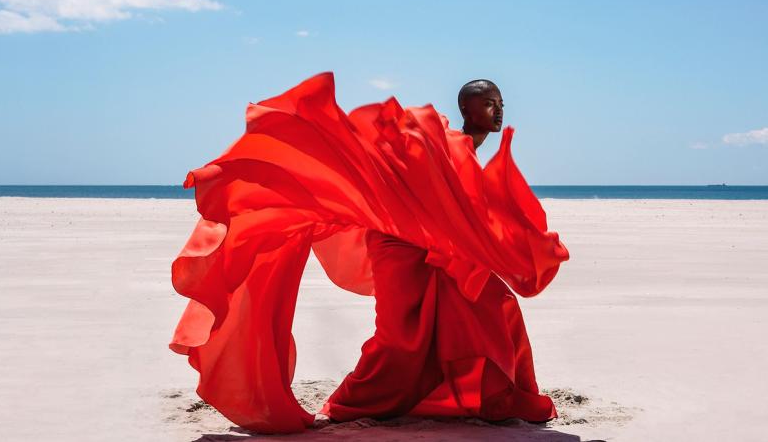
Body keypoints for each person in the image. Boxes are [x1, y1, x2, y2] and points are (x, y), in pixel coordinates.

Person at [169, 71, 569, 434]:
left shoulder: (463, 146)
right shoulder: (443, 139)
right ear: (466, 107)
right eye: (489, 102)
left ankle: (489, 396)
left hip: (438, 251)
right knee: (401, 335)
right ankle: (350, 403)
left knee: (494, 304)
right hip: (397, 245)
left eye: (500, 103)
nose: (498, 110)